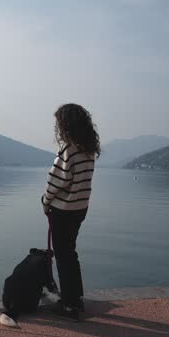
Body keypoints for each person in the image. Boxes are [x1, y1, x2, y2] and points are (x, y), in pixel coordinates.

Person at [42, 104, 100, 321]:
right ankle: (76, 298)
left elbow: (57, 180)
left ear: (66, 124)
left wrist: (45, 201)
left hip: (63, 209)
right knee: (71, 253)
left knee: (63, 256)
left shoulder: (69, 148)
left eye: (59, 122)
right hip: (80, 207)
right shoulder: (89, 148)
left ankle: (68, 304)